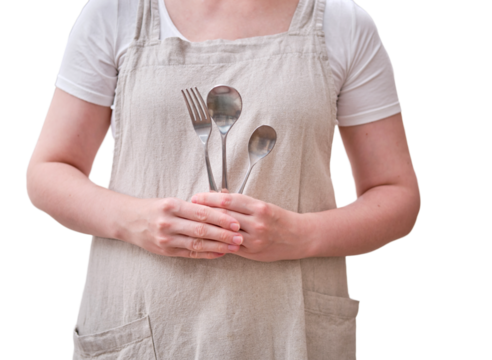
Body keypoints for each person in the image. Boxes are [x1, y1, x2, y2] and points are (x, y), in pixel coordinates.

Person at [25, 0, 421, 358]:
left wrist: (302, 234)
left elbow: (397, 196)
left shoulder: (344, 23)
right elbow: (47, 172)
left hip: (289, 330)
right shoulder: (115, 13)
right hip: (140, 326)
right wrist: (135, 220)